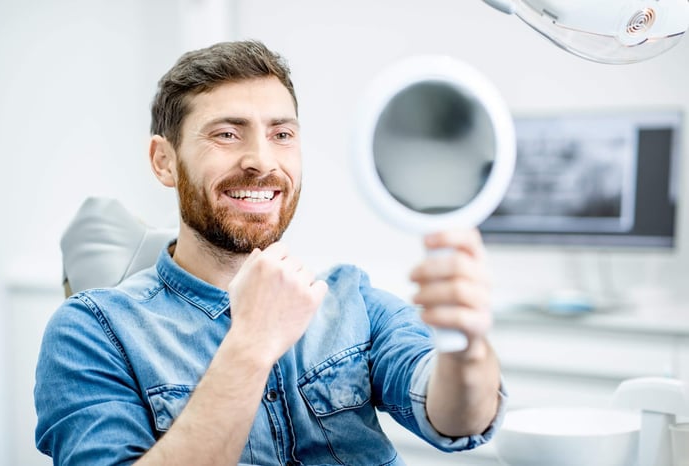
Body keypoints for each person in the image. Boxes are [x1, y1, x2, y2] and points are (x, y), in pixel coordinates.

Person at [34, 40, 506, 466]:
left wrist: (463, 345)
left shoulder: (352, 299)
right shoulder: (91, 332)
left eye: (281, 134)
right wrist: (250, 345)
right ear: (164, 160)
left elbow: (458, 420)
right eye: (226, 134)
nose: (262, 160)